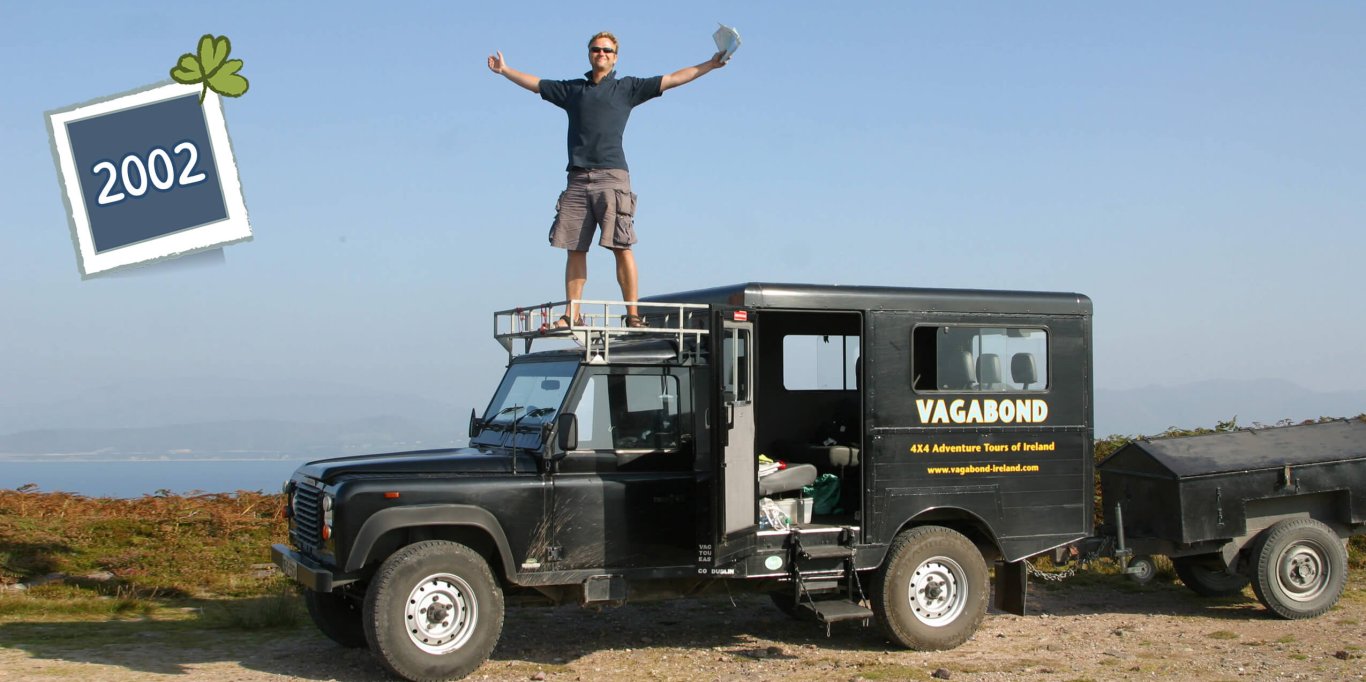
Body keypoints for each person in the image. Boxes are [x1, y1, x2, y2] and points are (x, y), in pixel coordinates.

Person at [488, 31, 726, 329]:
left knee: (621, 246)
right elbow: (536, 84)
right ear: (589, 53)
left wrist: (710, 64)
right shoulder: (573, 90)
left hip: (612, 177)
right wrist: (505, 70)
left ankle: (633, 314)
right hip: (577, 179)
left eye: (607, 51)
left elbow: (674, 78)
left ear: (615, 57)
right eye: (596, 49)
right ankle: (571, 314)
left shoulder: (627, 88)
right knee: (574, 248)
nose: (601, 54)